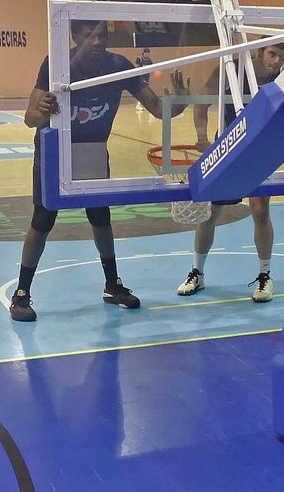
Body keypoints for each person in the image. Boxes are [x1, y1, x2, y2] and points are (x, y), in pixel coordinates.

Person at [10, 21, 185, 323]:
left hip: (92, 150)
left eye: (101, 35)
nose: (96, 41)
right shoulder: (56, 64)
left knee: (101, 218)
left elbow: (157, 109)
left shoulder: (118, 66)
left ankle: (112, 285)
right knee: (43, 219)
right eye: (89, 35)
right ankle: (22, 293)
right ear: (74, 37)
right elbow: (30, 117)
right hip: (55, 151)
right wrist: (45, 111)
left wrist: (179, 103)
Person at [178, 41, 284, 303]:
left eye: (282, 57)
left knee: (260, 210)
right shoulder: (229, 70)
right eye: (272, 54)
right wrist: (203, 137)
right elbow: (201, 104)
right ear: (259, 51)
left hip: (260, 151)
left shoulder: (283, 80)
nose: (276, 61)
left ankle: (264, 275)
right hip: (226, 148)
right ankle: (197, 272)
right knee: (210, 213)